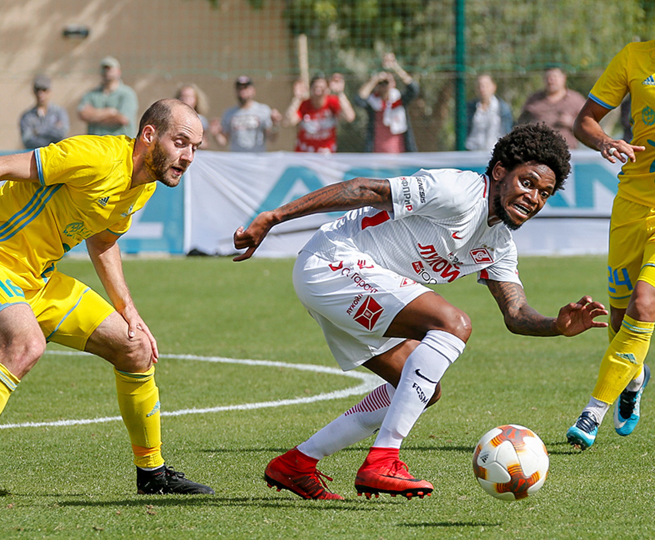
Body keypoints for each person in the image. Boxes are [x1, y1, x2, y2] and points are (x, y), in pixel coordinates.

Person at [232, 123, 607, 500]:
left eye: (544, 193)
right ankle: (383, 459)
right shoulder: (459, 191)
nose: (534, 198)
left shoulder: (500, 244)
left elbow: (516, 312)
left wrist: (556, 326)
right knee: (453, 323)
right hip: (332, 261)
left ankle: (297, 463)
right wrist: (275, 217)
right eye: (527, 182)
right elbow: (366, 189)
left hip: (357, 284)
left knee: (421, 390)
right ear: (499, 172)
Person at [0, 99, 214, 508]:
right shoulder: (95, 156)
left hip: (38, 281)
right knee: (26, 345)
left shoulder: (143, 182)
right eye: (181, 142)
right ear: (149, 136)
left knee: (136, 348)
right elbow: (0, 165)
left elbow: (104, 239)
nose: (188, 156)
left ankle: (152, 473)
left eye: (196, 147)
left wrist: (128, 309)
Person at [566, 41, 653, 451]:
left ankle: (592, 412)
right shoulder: (634, 57)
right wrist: (604, 141)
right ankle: (633, 378)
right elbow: (585, 120)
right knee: (619, 318)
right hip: (632, 205)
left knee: (645, 303)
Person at [355, 53, 419, 153]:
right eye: (381, 83)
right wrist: (374, 80)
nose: (384, 86)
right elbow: (359, 99)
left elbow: (413, 89)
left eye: (387, 82)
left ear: (393, 83)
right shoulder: (373, 103)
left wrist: (395, 67)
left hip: (400, 154)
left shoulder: (399, 100)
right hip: (376, 154)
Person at [284, 72, 355, 153]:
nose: (318, 92)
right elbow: (287, 122)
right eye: (315, 88)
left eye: (322, 89)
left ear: (328, 90)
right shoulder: (304, 105)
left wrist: (340, 93)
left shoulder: (332, 103)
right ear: (310, 90)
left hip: (326, 155)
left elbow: (349, 117)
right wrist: (297, 98)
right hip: (304, 154)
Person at [517, 66, 585, 149]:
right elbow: (520, 124)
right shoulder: (533, 100)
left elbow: (589, 125)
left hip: (567, 152)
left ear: (564, 78)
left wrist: (572, 123)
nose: (551, 81)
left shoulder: (576, 100)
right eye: (547, 78)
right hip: (537, 151)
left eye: (554, 77)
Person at [210, 76, 282, 152]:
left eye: (245, 88)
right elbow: (223, 142)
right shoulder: (229, 113)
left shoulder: (263, 110)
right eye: (239, 88)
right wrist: (216, 134)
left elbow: (272, 138)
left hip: (257, 158)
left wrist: (275, 124)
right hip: (237, 159)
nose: (242, 91)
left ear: (253, 90)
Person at [78, 56, 139, 137]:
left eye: (110, 69)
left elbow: (122, 119)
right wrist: (110, 112)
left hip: (119, 145)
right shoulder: (91, 94)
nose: (107, 72)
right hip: (96, 145)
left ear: (118, 71)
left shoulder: (127, 94)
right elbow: (83, 114)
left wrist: (94, 116)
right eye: (104, 69)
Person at [19, 74, 70, 149]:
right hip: (36, 156)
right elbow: (27, 141)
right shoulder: (27, 116)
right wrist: (50, 138)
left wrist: (38, 132)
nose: (41, 94)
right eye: (37, 90)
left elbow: (61, 134)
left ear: (50, 91)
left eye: (44, 90)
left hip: (56, 154)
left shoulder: (59, 112)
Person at [465, 74, 514, 151]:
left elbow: (508, 131)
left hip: (495, 151)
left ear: (493, 87)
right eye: (479, 86)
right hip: (472, 151)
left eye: (486, 86)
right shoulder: (469, 108)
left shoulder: (503, 108)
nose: (482, 89)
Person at [175, 82, 210, 149]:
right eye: (182, 96)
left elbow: (205, 143)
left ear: (196, 100)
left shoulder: (201, 120)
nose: (185, 99)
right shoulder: (172, 118)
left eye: (189, 97)